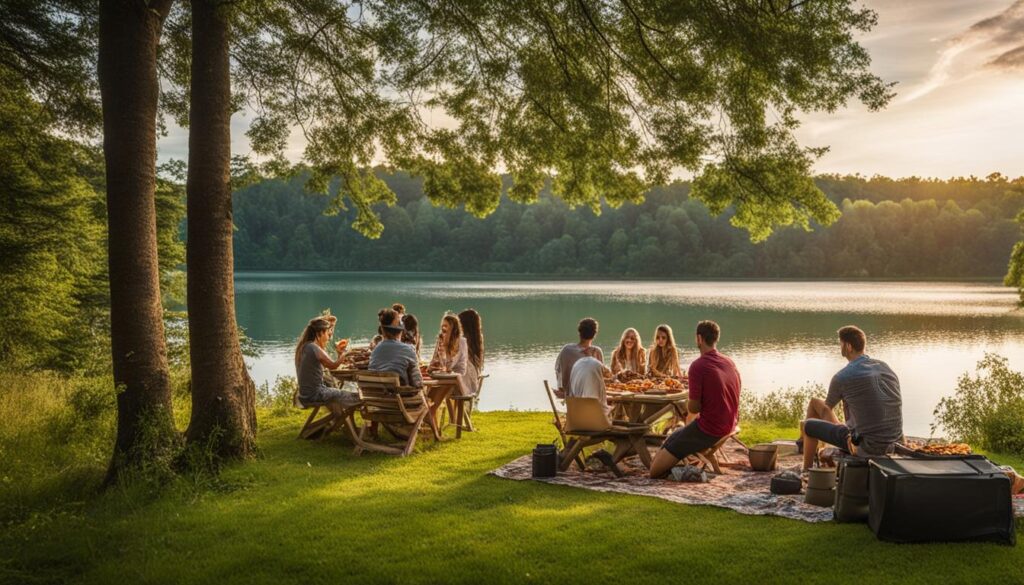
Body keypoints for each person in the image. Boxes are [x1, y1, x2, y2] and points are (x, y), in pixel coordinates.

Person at [800, 326, 903, 470]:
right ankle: (805, 446)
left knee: (809, 425)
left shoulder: (842, 376)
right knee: (815, 403)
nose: (840, 347)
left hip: (866, 447)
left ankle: (806, 471)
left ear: (848, 346)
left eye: (840, 344)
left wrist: (837, 427)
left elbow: (826, 410)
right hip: (895, 443)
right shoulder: (885, 367)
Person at [650, 321, 740, 479]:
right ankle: (675, 457)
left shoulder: (699, 366)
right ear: (715, 339)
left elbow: (693, 408)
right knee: (675, 434)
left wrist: (690, 399)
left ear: (699, 338)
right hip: (729, 424)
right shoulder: (729, 362)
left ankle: (682, 472)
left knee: (654, 470)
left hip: (709, 430)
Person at [294, 316, 360, 410]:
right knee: (356, 397)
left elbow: (331, 364)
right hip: (315, 395)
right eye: (327, 333)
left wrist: (340, 354)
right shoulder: (313, 347)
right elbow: (333, 366)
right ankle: (346, 417)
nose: (328, 337)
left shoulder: (306, 346)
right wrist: (346, 353)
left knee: (342, 394)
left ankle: (340, 417)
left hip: (305, 395)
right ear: (320, 332)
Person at [368, 308, 423, 388]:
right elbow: (418, 383)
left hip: (375, 396)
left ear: (382, 330)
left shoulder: (375, 351)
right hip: (401, 397)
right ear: (401, 332)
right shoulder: (408, 350)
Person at [554, 317, 604, 392]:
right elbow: (602, 376)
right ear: (594, 335)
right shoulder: (596, 352)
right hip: (592, 397)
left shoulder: (567, 350)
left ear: (579, 332)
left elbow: (558, 370)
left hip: (570, 397)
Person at [429, 313, 470, 394]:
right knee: (434, 383)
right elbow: (434, 359)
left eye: (446, 326)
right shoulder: (441, 339)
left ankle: (429, 406)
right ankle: (428, 405)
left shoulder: (461, 342)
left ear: (453, 328)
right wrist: (431, 366)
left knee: (441, 385)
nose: (443, 328)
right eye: (442, 326)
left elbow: (449, 366)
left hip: (458, 376)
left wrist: (445, 345)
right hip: (445, 375)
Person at [457, 309, 484, 396]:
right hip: (471, 384)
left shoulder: (462, 342)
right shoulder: (476, 343)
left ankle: (430, 408)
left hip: (464, 385)